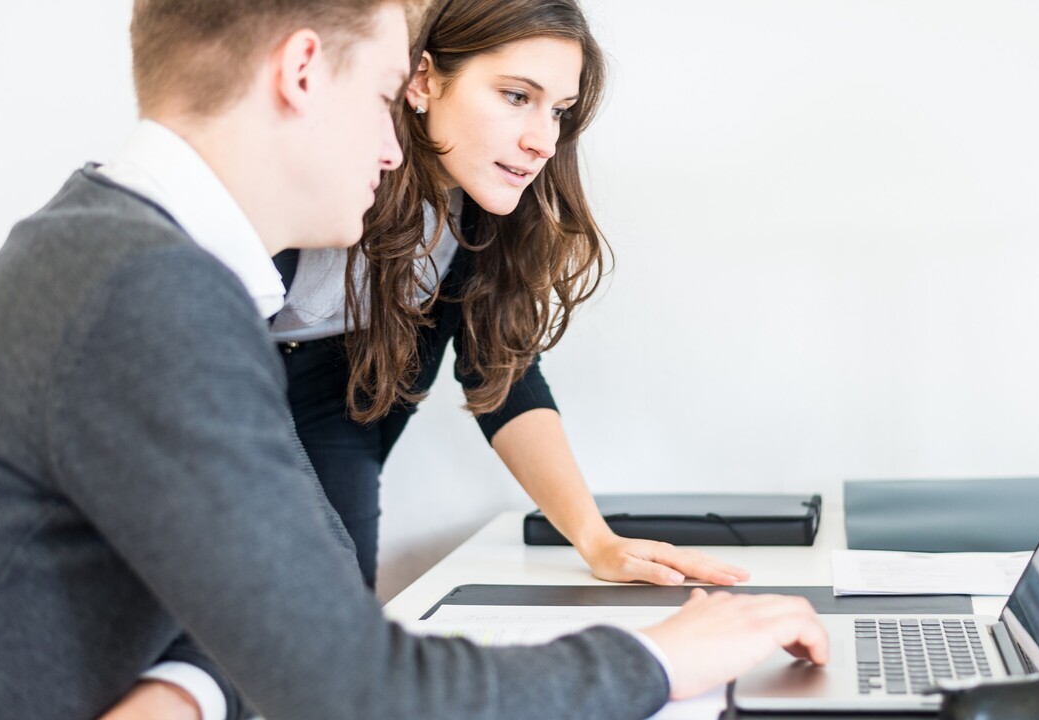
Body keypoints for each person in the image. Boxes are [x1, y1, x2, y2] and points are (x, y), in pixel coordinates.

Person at [0, 1, 827, 718]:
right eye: (389, 89)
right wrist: (663, 658)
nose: (394, 144)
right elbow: (359, 693)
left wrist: (188, 690)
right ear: (303, 71)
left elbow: (287, 623)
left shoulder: (111, 252)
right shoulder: (154, 295)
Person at [272, 0, 749, 591]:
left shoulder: (482, 212)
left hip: (337, 400)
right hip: (223, 371)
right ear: (423, 79)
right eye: (517, 96)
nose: (543, 141)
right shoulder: (309, 163)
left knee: (333, 615)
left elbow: (503, 378)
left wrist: (595, 539)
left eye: (559, 111)